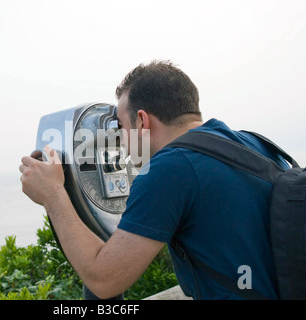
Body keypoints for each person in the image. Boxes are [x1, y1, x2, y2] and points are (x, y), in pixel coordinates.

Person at [19, 60, 287, 300]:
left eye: (122, 127)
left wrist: (53, 193)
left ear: (142, 121)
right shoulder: (254, 144)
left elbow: (104, 281)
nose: (121, 142)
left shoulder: (171, 168)